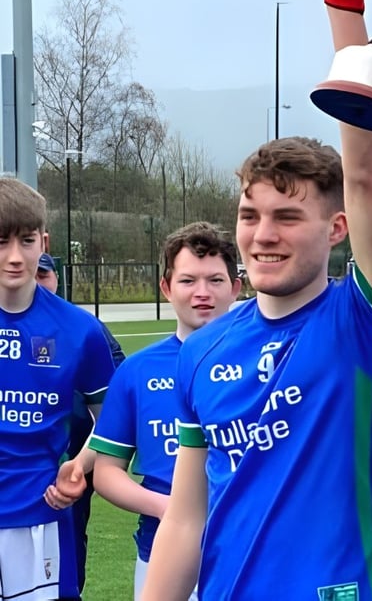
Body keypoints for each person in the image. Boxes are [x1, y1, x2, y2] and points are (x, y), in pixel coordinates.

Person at [141, 0, 372, 598]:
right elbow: (185, 519)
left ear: (337, 229)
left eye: (288, 217)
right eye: (250, 215)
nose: (263, 236)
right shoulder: (203, 349)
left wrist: (343, 2)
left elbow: (369, 174)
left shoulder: (367, 324)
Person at [89, 223, 241, 600]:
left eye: (215, 280)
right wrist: (168, 508)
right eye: (188, 280)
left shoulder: (264, 363)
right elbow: (107, 473)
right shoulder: (137, 371)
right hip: (161, 551)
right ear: (166, 287)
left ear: (236, 287)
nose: (202, 292)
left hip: (248, 552)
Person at [0, 178, 116, 601]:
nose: (15, 257)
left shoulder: (80, 330)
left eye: (26, 241)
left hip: (42, 515)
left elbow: (113, 425)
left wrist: (79, 467)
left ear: (44, 242)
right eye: (1, 242)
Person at [35, 253, 126, 600]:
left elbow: (116, 408)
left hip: (69, 471)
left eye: (44, 275)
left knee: (67, 560)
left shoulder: (85, 329)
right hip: (14, 473)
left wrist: (82, 464)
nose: (38, 281)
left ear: (57, 279)